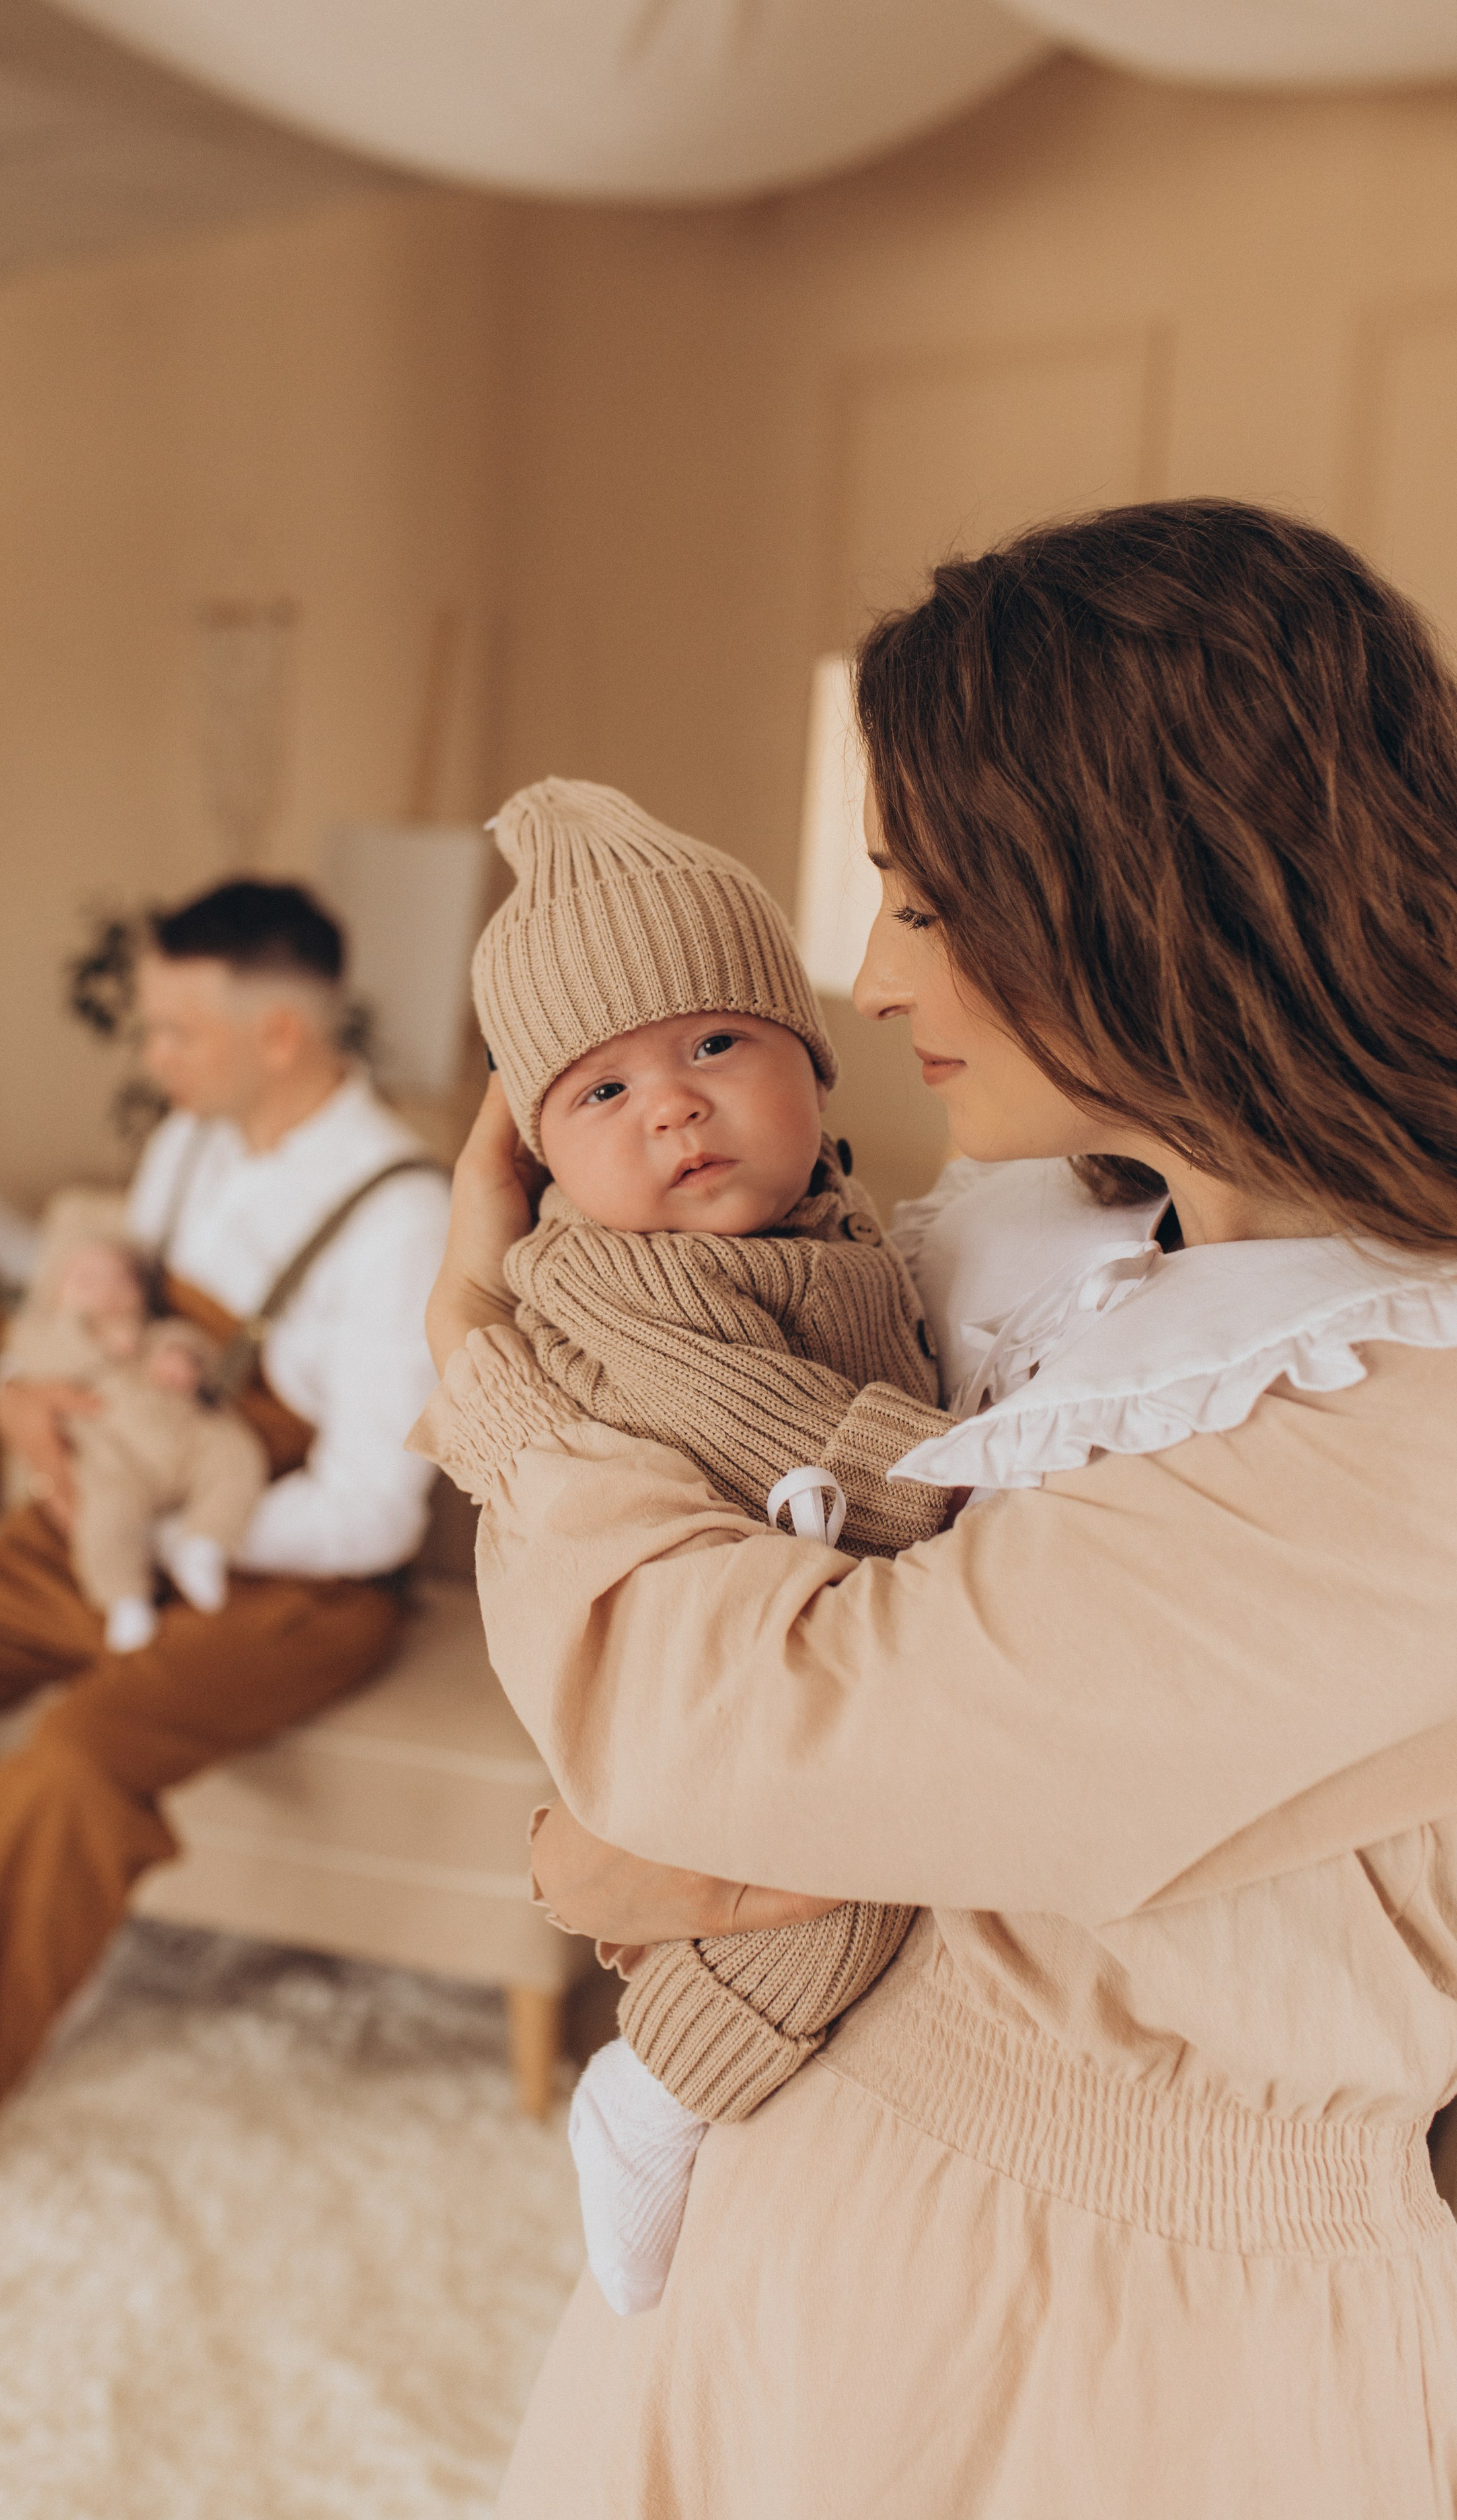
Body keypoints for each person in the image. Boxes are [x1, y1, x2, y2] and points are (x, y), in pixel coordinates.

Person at [415, 502, 1457, 2517]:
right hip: (807, 2201)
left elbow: (756, 1724)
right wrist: (614, 1851)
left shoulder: (1396, 1429)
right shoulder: (1012, 1245)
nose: (872, 976)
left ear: (1138, 891)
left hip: (1123, 2353)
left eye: (920, 896)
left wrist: (482, 1360)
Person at [0, 878, 449, 2240]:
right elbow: (87, 1314)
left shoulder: (399, 1217)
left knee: (66, 1767)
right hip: (93, 1525)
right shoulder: (190, 1148)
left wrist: (172, 1515)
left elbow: (374, 1509)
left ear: (276, 1035)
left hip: (289, 1580)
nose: (149, 1059)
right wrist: (27, 1394)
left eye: (173, 1031)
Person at [465, 775, 952, 2316]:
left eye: (713, 1045)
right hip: (683, 1651)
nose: (671, 1103)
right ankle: (653, 2086)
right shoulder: (616, 1277)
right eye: (597, 1094)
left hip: (780, 1629)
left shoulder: (842, 1225)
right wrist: (924, 1481)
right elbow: (760, 1417)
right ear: (537, 1160)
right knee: (852, 1886)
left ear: (807, 1060)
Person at [0, 1236, 269, 1653]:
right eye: (88, 1282)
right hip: (114, 1463)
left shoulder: (153, 1334)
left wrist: (179, 1357)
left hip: (186, 1437)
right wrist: (88, 1335)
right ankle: (125, 1599)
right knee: (102, 1520)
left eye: (120, 1282)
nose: (106, 1293)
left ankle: (206, 1542)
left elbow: (192, 1344)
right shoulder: (47, 1336)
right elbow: (24, 1365)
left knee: (237, 1454)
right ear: (56, 1295)